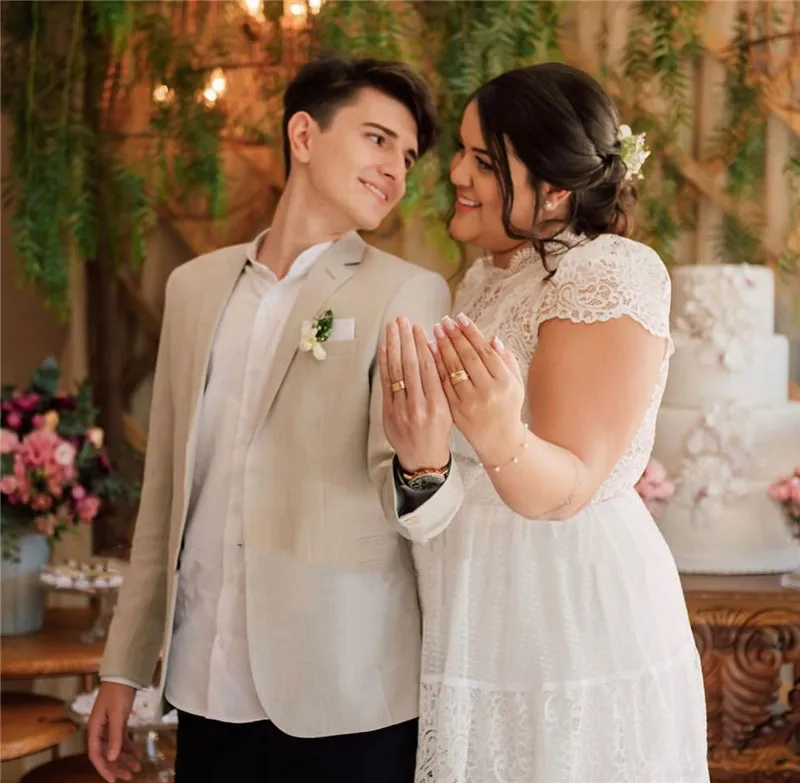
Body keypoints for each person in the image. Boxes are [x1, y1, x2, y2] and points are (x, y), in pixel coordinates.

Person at [88, 57, 464, 783]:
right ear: (303, 134)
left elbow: (418, 501)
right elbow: (164, 494)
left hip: (346, 695)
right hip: (204, 684)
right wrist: (123, 666)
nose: (396, 170)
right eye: (378, 140)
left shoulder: (409, 292)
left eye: (409, 156)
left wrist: (425, 470)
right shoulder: (193, 287)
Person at [380, 63, 709, 782]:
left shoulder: (609, 273)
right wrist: (421, 456)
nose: (457, 174)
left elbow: (571, 485)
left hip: (568, 616)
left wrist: (500, 434)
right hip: (476, 605)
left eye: (486, 161)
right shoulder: (484, 278)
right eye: (461, 151)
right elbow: (459, 471)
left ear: (556, 190)